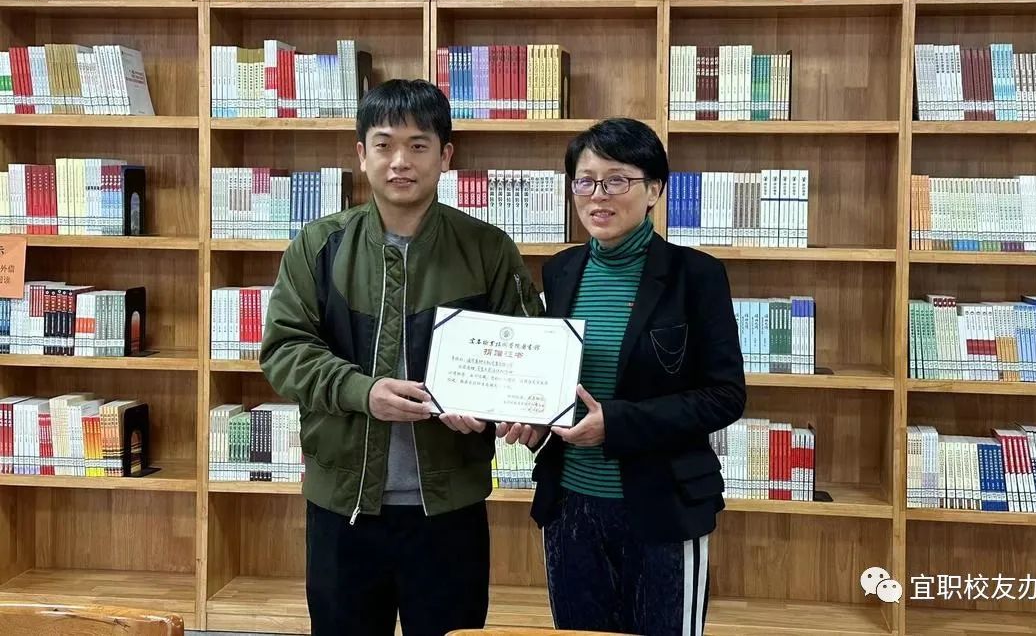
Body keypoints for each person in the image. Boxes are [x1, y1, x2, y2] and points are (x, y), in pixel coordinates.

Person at [260, 79, 545, 636]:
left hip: (449, 509)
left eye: (418, 145)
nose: (400, 161)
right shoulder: (318, 246)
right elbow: (284, 351)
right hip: (343, 505)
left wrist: (497, 408)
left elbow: (526, 356)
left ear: (446, 155)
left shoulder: (486, 248)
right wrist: (363, 391)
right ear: (360, 154)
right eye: (384, 144)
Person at [519, 117, 747, 636]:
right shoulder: (560, 270)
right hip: (569, 504)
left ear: (654, 191)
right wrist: (532, 417)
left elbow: (725, 396)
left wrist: (615, 424)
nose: (598, 195)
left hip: (662, 505)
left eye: (617, 180)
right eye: (585, 181)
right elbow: (553, 378)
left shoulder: (696, 276)